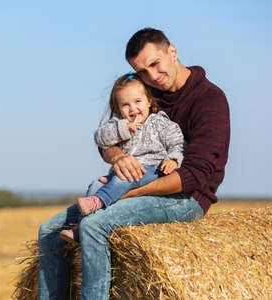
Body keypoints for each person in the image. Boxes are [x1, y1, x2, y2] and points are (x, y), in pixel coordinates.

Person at [38, 28, 230, 300]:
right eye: (142, 71)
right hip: (129, 184)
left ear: (172, 52)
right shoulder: (146, 92)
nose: (152, 76)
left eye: (155, 64)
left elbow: (195, 176)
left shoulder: (209, 100)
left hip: (185, 198)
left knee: (94, 226)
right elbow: (106, 141)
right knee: (49, 231)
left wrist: (126, 194)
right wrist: (118, 157)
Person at [59, 72, 185, 243]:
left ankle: (98, 201)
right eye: (125, 105)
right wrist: (122, 128)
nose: (133, 109)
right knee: (95, 184)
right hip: (121, 171)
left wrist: (173, 159)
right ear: (118, 108)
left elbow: (178, 143)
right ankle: (82, 228)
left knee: (123, 177)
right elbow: (100, 138)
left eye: (138, 102)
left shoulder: (161, 123)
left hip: (150, 170)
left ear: (149, 101)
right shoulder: (118, 123)